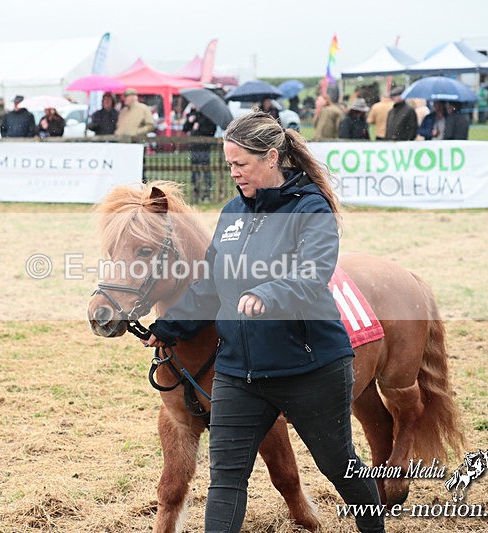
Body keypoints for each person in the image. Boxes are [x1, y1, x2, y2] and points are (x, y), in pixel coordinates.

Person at [143, 111, 385, 533]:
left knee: (338, 464)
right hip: (239, 371)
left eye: (241, 164)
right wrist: (168, 327)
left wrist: (266, 294)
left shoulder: (310, 207)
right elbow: (209, 285)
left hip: (308, 367)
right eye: (229, 164)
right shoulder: (233, 213)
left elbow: (312, 272)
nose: (234, 173)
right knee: (227, 480)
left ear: (271, 157)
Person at [182, 104, 217, 201]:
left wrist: (199, 128)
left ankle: (207, 193)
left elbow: (211, 131)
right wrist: (190, 122)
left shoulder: (208, 116)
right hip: (194, 147)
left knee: (206, 171)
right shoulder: (192, 114)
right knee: (194, 171)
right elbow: (185, 128)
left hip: (204, 147)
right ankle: (196, 191)